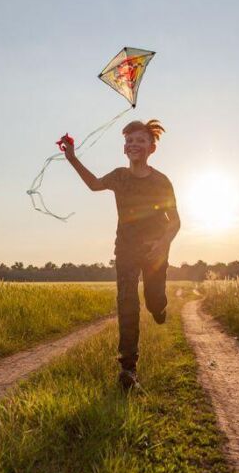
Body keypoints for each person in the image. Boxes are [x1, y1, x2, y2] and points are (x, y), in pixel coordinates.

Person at [62, 119, 180, 389]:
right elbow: (93, 184)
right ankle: (128, 369)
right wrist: (71, 157)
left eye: (140, 140)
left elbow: (175, 221)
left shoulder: (162, 182)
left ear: (152, 147)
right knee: (127, 302)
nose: (133, 144)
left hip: (154, 251)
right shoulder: (118, 176)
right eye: (129, 141)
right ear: (124, 149)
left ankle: (159, 307)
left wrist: (162, 244)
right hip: (125, 248)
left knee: (152, 300)